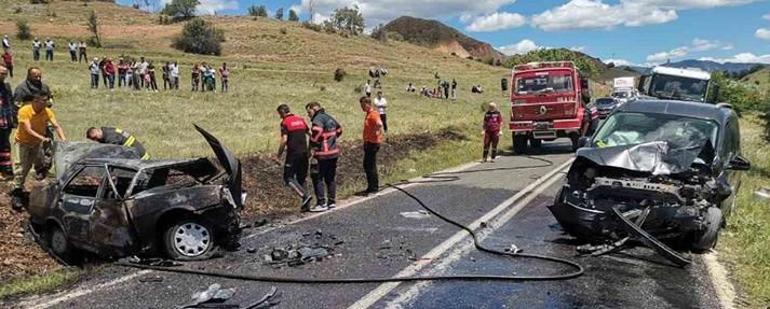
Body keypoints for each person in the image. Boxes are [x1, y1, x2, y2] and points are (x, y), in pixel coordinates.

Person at [11, 93, 66, 211]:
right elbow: (28, 129)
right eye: (44, 101)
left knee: (41, 163)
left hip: (36, 143)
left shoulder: (47, 111)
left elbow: (56, 126)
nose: (46, 103)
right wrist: (43, 138)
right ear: (35, 101)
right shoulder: (24, 110)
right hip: (23, 143)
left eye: (47, 101)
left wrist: (63, 140)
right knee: (21, 168)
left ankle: (40, 186)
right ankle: (16, 193)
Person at [275, 104, 313, 211]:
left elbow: (284, 140)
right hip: (304, 153)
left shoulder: (285, 122)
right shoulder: (300, 120)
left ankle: (304, 195)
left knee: (288, 177)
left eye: (279, 114)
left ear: (282, 112)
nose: (280, 117)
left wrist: (278, 155)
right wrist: (311, 148)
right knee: (302, 178)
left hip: (293, 154)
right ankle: (306, 206)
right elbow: (310, 134)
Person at [306, 102, 342, 212]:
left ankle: (321, 203)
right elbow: (339, 130)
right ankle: (332, 202)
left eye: (309, 112)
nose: (308, 115)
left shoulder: (318, 119)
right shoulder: (329, 117)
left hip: (322, 154)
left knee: (317, 177)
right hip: (333, 152)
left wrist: (312, 145)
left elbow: (317, 132)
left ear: (314, 109)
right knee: (330, 177)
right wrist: (332, 139)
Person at [359, 96, 384, 195]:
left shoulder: (373, 114)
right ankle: (371, 186)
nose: (361, 107)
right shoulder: (368, 114)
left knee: (370, 164)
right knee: (368, 164)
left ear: (367, 104)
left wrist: (375, 132)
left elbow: (379, 124)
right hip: (369, 142)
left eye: (362, 105)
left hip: (372, 143)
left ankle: (373, 187)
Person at [0, 65, 14, 177]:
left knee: (5, 145)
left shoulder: (6, 87)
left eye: (5, 73)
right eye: (1, 73)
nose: (3, 76)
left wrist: (13, 119)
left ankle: (6, 171)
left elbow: (10, 103)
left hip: (5, 122)